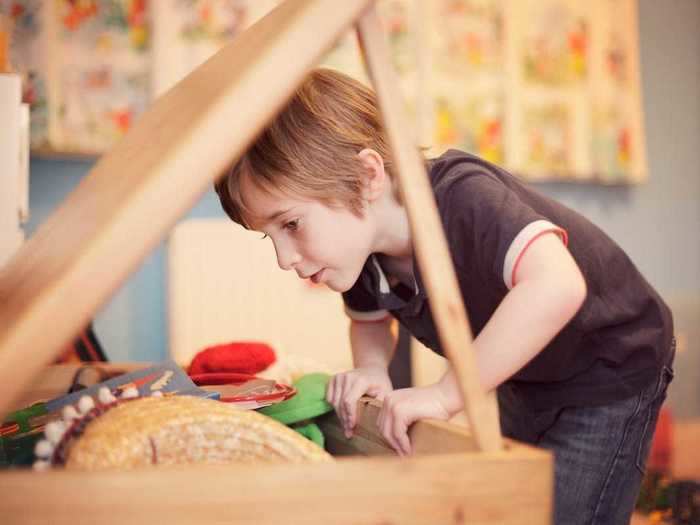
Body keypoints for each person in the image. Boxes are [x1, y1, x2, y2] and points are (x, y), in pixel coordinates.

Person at [214, 67, 674, 524]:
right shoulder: (360, 253)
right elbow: (369, 321)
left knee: (568, 511)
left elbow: (557, 284)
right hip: (531, 375)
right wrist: (372, 368)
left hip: (610, 360)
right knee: (517, 500)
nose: (283, 258)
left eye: (291, 224)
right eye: (269, 236)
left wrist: (445, 394)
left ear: (366, 176)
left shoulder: (460, 199)